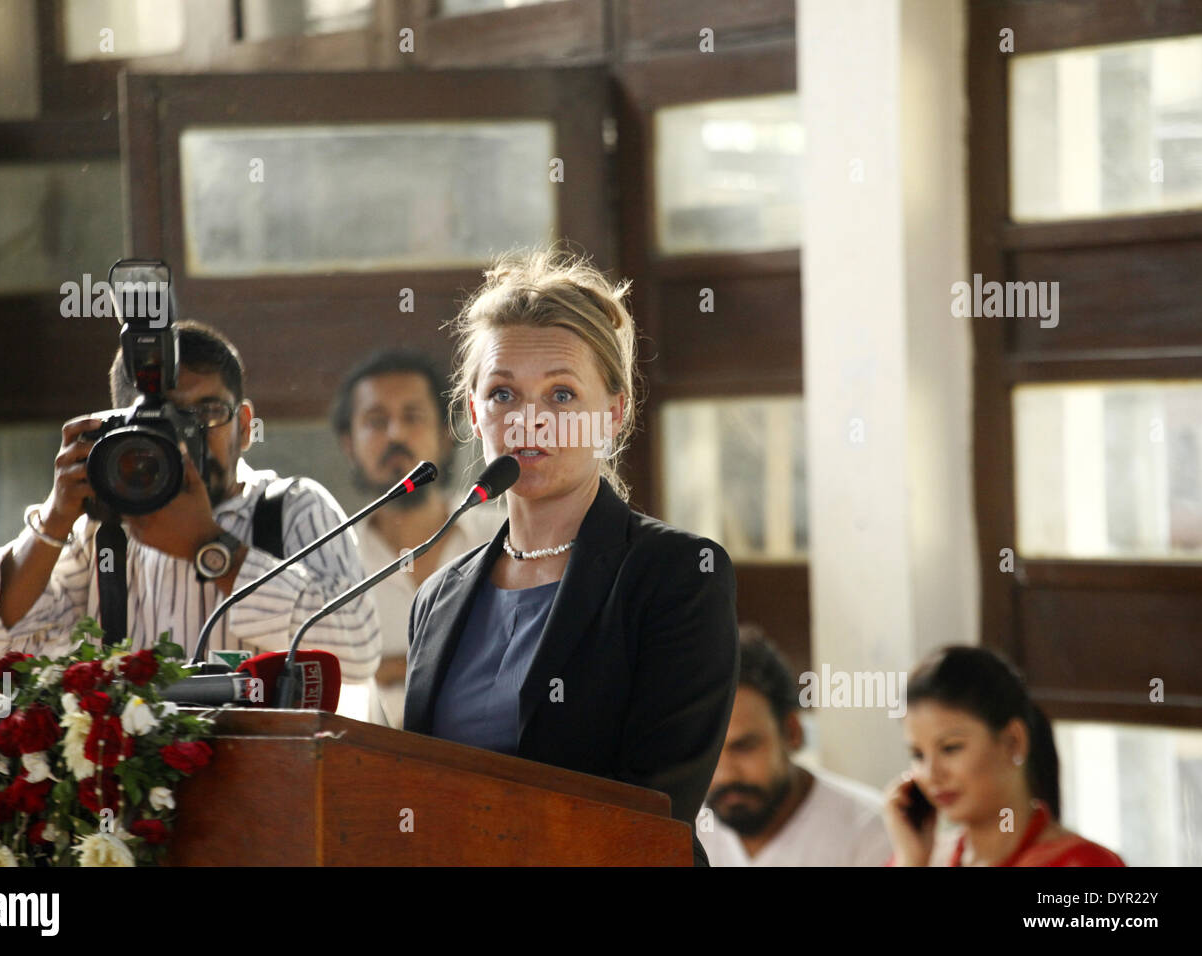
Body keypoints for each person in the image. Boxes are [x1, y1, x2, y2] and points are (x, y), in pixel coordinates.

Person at [402, 246, 740, 866]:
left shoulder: (678, 575)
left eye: (561, 396)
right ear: (475, 413)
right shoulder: (438, 597)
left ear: (612, 413)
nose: (529, 420)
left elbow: (650, 810)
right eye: (503, 394)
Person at [0, 320, 381, 683]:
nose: (184, 437)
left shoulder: (290, 509)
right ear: (118, 428)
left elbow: (358, 652)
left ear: (246, 426)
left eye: (207, 413)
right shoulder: (98, 533)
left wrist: (210, 548)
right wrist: (54, 519)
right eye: (163, 421)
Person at [331, 349, 498, 727]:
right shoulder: (328, 557)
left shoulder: (504, 537)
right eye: (376, 421)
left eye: (413, 417)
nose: (396, 434)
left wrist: (390, 668)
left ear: (445, 435)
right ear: (349, 444)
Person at [882, 645, 1125, 867]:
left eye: (950, 748)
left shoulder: (1084, 863)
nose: (931, 774)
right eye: (918, 755)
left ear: (1013, 742)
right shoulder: (919, 858)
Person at [698, 626, 892, 866]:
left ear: (791, 732)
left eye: (745, 746)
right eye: (708, 755)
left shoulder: (873, 831)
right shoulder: (683, 829)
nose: (725, 774)